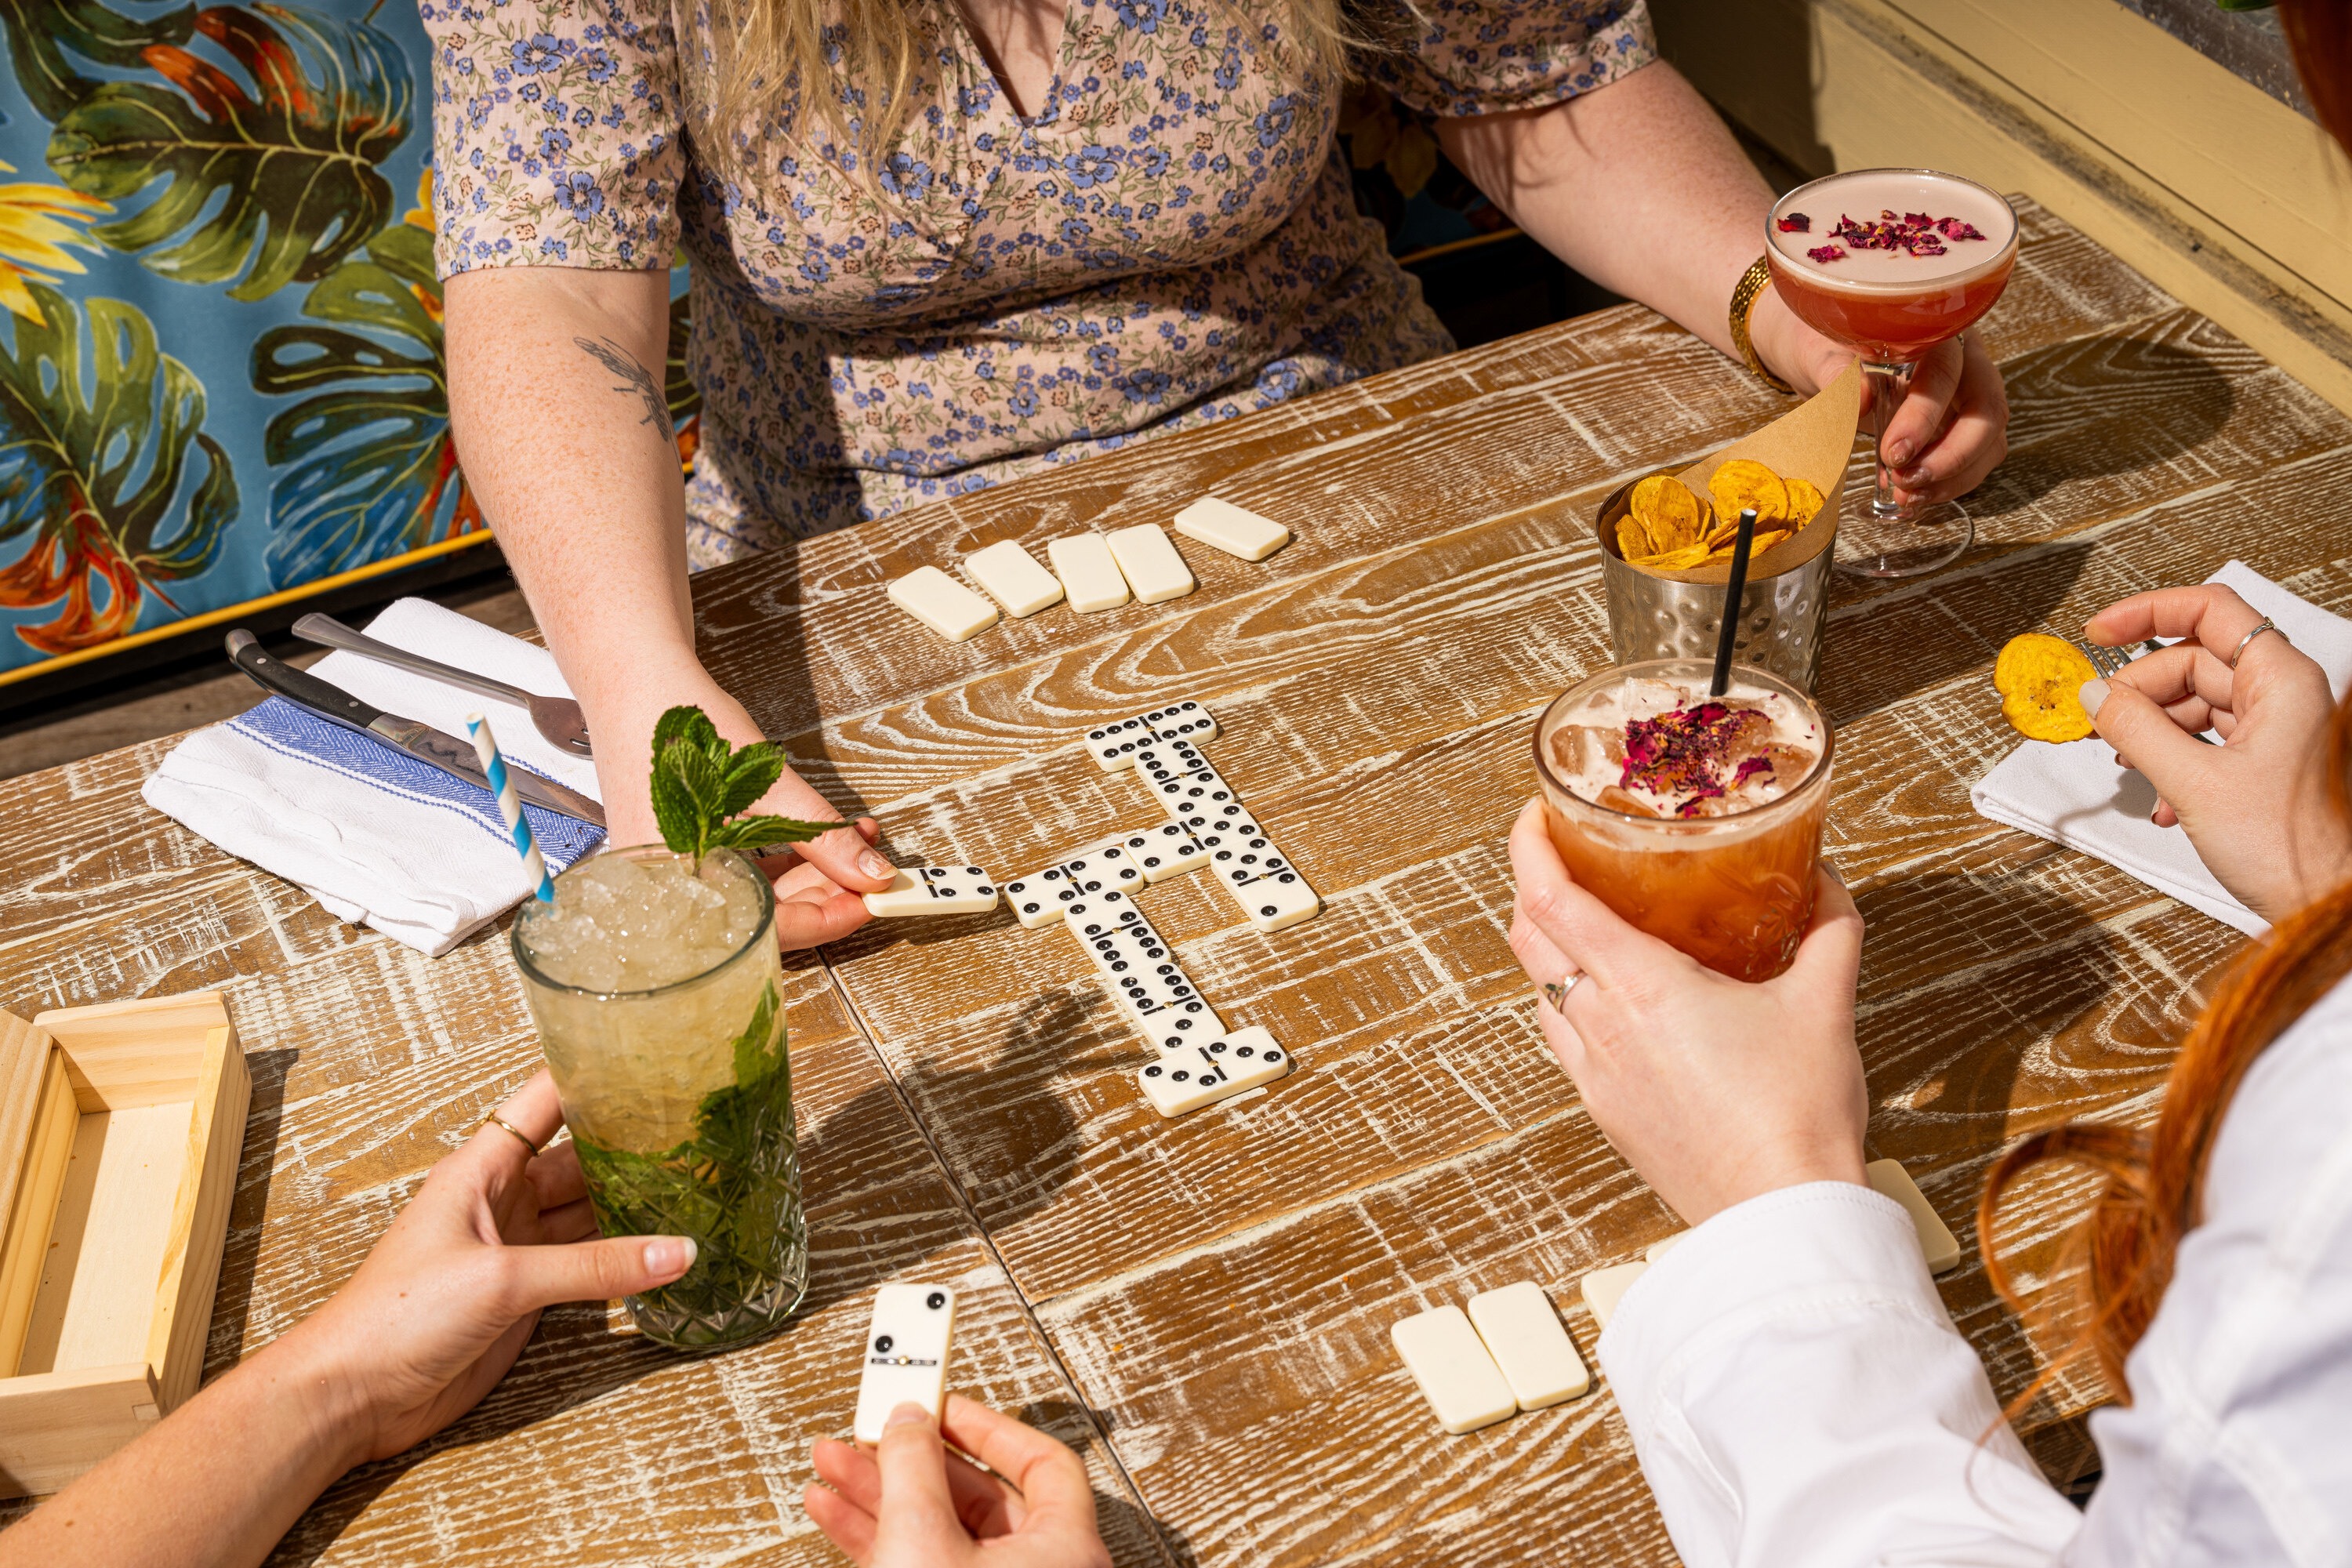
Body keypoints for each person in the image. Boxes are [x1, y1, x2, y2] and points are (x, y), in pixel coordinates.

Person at [428, 0, 2010, 926]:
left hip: (1358, 490)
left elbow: (1537, 77)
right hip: (869, 600)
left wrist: (1784, 307)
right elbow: (548, 290)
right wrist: (645, 704)